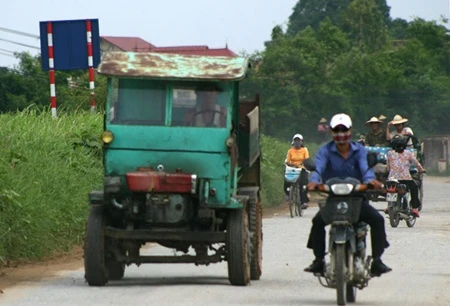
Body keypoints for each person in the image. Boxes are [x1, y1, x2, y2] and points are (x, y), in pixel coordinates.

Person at [304, 113, 392, 277]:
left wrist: (370, 181)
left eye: (343, 130)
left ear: (350, 131)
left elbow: (365, 169)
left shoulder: (359, 150)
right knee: (317, 222)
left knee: (378, 220)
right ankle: (318, 260)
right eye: (337, 130)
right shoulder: (325, 151)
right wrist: (314, 181)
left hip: (356, 198)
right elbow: (318, 169)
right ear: (331, 132)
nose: (340, 134)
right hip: (332, 199)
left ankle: (377, 260)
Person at [386, 135, 425, 216]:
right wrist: (421, 170)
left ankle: (389, 206)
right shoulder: (408, 153)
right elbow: (416, 163)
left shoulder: (389, 153)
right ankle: (414, 208)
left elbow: (388, 167)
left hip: (392, 178)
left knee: (389, 188)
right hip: (406, 178)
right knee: (414, 187)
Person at [284, 134, 310, 206]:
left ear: (302, 142)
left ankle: (304, 201)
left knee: (303, 184)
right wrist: (292, 164)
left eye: (299, 140)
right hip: (292, 168)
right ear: (293, 141)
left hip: (302, 168)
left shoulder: (304, 150)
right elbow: (288, 161)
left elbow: (306, 159)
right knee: (287, 180)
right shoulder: (290, 151)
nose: (297, 142)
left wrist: (300, 164)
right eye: (296, 140)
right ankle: (288, 194)